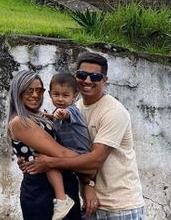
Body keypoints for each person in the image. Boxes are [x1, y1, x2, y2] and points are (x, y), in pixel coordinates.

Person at [25, 52, 145, 220]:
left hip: (119, 206)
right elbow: (72, 149)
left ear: (105, 80)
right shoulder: (76, 107)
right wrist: (88, 184)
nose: (87, 81)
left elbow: (94, 160)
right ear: (76, 77)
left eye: (95, 76)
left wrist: (49, 162)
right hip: (90, 204)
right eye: (82, 75)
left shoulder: (113, 111)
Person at [8, 70, 83, 220]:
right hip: (42, 190)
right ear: (18, 92)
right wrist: (89, 161)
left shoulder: (39, 116)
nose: (35, 95)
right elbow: (60, 153)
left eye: (39, 90)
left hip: (63, 184)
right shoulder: (20, 121)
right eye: (29, 90)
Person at [48, 73, 90, 156]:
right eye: (56, 94)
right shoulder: (56, 112)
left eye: (65, 95)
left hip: (81, 153)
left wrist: (62, 114)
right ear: (50, 94)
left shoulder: (72, 110)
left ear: (74, 96)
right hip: (69, 153)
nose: (60, 99)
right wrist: (50, 116)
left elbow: (66, 114)